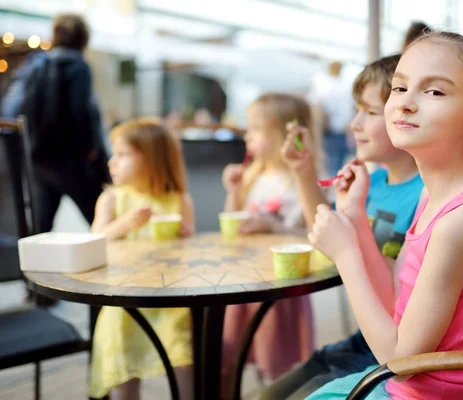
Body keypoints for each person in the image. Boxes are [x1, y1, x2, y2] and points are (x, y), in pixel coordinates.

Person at [307, 31, 463, 399]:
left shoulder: (462, 220)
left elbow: (401, 361)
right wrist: (355, 217)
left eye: (434, 92)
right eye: (399, 89)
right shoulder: (433, 197)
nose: (404, 104)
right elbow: (394, 294)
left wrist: (345, 255)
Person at [260, 54, 424, 400]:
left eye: (368, 111)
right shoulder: (373, 183)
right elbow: (325, 229)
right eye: (356, 110)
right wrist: (304, 170)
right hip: (363, 342)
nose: (354, 124)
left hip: (391, 353)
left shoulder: (427, 198)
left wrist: (347, 248)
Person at [220, 93, 323, 393]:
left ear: (279, 132)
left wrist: (272, 225)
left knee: (276, 361)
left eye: (255, 129)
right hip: (245, 280)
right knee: (238, 353)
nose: (247, 136)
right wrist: (234, 192)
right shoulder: (255, 175)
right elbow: (233, 223)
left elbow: (312, 236)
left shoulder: (301, 181)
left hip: (280, 289)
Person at [88, 118, 195, 400]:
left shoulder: (178, 200)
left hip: (170, 298)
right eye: (114, 154)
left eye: (122, 155)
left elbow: (193, 246)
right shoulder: (111, 199)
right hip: (123, 300)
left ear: (152, 160)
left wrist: (184, 234)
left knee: (183, 359)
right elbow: (94, 241)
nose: (112, 162)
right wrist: (124, 225)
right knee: (124, 366)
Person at [19, 13, 110, 233]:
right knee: (100, 217)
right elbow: (81, 111)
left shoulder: (38, 66)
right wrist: (92, 148)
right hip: (71, 160)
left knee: (42, 227)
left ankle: (33, 266)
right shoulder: (78, 67)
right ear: (83, 38)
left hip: (41, 158)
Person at [309, 61, 355, 176]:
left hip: (329, 130)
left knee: (330, 162)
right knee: (338, 161)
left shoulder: (322, 85)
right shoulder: (344, 86)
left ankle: (331, 184)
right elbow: (349, 110)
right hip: (339, 130)